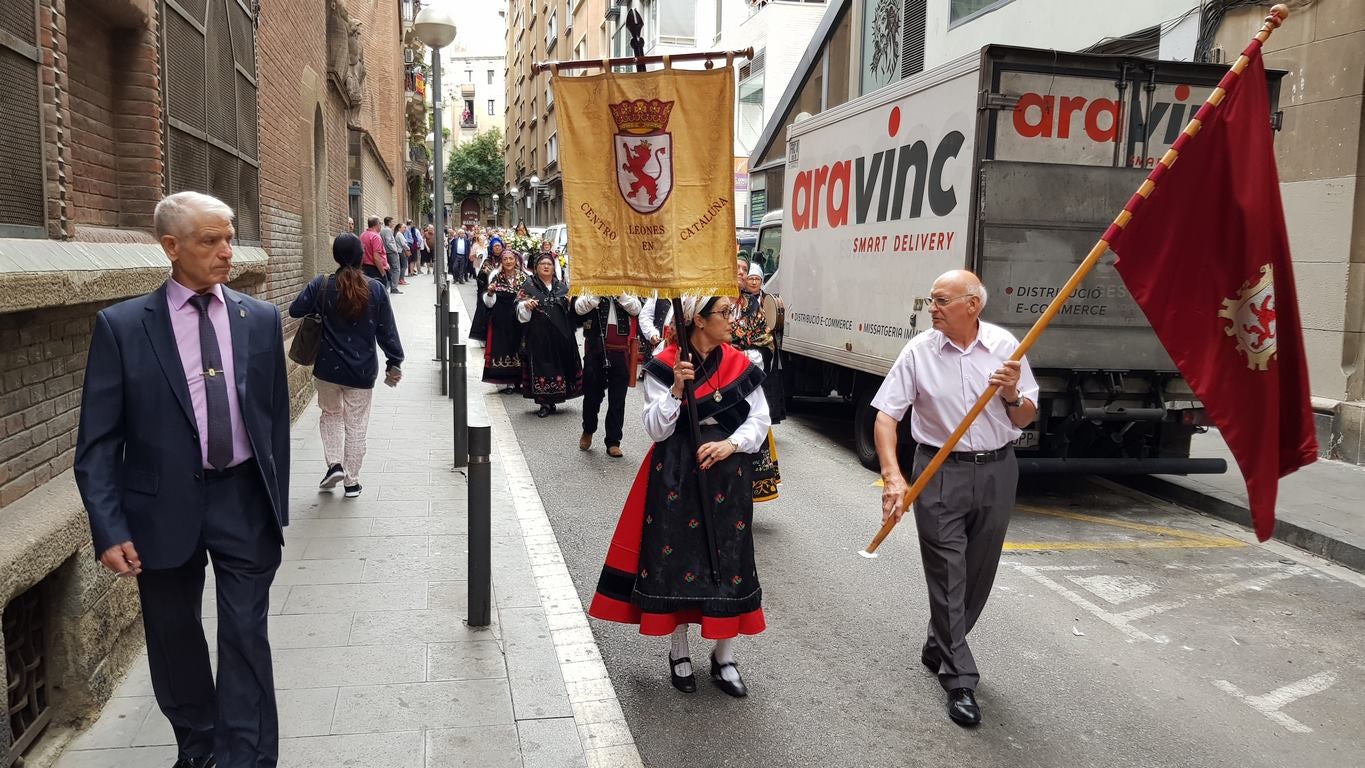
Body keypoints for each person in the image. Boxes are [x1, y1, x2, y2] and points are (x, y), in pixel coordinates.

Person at [74, 191, 291, 768]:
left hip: (242, 498)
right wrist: (108, 527)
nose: (227, 252)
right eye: (210, 241)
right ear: (171, 248)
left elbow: (272, 423)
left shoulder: (260, 320)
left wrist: (275, 506)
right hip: (159, 507)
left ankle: (245, 756)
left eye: (229, 237)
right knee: (174, 637)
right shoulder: (122, 327)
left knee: (246, 634)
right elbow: (96, 443)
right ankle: (198, 746)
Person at [871, 269, 1038, 728]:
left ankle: (940, 641)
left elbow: (1025, 416)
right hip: (939, 471)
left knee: (979, 572)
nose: (933, 308)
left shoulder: (1007, 348)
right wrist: (892, 476)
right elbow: (887, 416)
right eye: (931, 300)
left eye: (942, 300)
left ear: (973, 305)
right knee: (948, 570)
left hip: (998, 470)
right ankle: (960, 677)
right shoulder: (919, 351)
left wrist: (1009, 391)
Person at [588, 295, 770, 699]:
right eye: (724, 313)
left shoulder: (741, 363)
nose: (731, 320)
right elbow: (655, 430)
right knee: (678, 560)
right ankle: (679, 650)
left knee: (730, 561)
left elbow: (760, 419)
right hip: (676, 473)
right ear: (699, 321)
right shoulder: (665, 362)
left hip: (728, 472)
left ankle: (725, 657)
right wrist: (675, 389)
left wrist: (732, 444)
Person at [289, 233, 405, 498]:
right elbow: (387, 331)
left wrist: (321, 308)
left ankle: (334, 465)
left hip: (327, 368)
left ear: (336, 256)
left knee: (330, 415)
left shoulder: (322, 285)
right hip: (362, 370)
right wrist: (394, 361)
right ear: (360, 256)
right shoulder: (374, 288)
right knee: (356, 423)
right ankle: (351, 481)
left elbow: (296, 310)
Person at [730, 258, 782, 502]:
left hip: (745, 380)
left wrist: (741, 356)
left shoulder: (751, 305)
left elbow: (765, 343)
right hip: (712, 381)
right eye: (737, 268)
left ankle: (742, 495)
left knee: (747, 437)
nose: (741, 272)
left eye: (744, 269)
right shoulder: (708, 302)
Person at [574, 293, 642, 457]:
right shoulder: (591, 286)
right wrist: (598, 294)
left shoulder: (626, 289)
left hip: (620, 351)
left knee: (618, 397)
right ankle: (588, 429)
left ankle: (613, 441)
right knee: (592, 394)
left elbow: (636, 309)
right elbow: (579, 308)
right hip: (596, 349)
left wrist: (620, 294)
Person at [517, 252, 584, 417]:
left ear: (554, 268)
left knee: (558, 367)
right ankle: (544, 403)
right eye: (542, 264)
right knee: (541, 367)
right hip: (538, 336)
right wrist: (526, 305)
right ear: (536, 268)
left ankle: (554, 399)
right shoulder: (529, 285)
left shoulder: (562, 287)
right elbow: (518, 307)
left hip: (560, 336)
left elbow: (574, 312)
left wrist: (571, 303)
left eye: (549, 264)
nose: (546, 267)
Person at [481, 243, 525, 392]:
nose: (508, 261)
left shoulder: (525, 277)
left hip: (519, 319)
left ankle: (520, 380)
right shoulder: (495, 275)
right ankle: (508, 382)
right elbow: (488, 303)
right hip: (501, 318)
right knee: (504, 348)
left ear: (516, 260)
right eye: (505, 259)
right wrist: (490, 293)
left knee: (520, 347)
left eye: (511, 258)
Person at [469, 234, 502, 343]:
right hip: (489, 292)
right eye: (495, 246)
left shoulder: (506, 259)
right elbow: (481, 276)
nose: (497, 248)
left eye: (499, 246)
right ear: (491, 248)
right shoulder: (488, 260)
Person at [359, 216, 388, 281]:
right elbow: (376, 258)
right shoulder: (376, 237)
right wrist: (383, 273)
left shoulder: (362, 235)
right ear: (377, 224)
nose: (381, 225)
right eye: (381, 223)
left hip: (364, 268)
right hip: (375, 269)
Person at [379, 216, 402, 294]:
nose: (393, 223)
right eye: (392, 222)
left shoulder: (383, 230)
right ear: (389, 222)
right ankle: (394, 287)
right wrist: (395, 250)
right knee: (396, 269)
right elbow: (389, 242)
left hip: (387, 252)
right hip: (391, 252)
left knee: (391, 270)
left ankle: (391, 286)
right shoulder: (387, 230)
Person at [394, 221, 411, 286]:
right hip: (402, 252)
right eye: (404, 227)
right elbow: (403, 244)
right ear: (399, 228)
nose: (405, 229)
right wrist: (408, 248)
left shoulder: (399, 234)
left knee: (402, 266)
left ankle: (401, 279)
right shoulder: (399, 234)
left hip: (401, 251)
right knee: (404, 266)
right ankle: (401, 279)